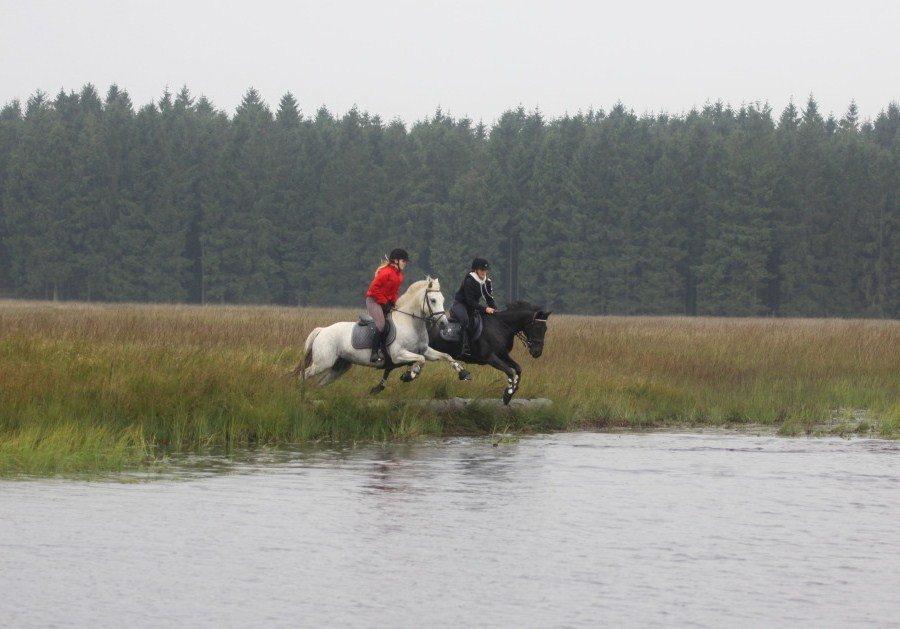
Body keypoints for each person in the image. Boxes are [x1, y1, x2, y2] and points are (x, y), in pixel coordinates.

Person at [365, 248, 409, 362]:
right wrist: (385, 302)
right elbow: (373, 289)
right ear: (395, 261)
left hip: (384, 303)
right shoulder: (385, 272)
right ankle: (374, 353)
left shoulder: (399, 275)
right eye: (404, 261)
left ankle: (386, 350)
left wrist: (393, 303)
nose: (405, 264)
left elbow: (394, 292)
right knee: (381, 324)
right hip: (373, 301)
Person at [450, 257, 496, 348]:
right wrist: (485, 309)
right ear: (476, 270)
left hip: (472, 306)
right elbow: (470, 302)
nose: (484, 272)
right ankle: (463, 345)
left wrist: (495, 310)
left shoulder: (487, 282)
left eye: (485, 270)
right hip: (460, 305)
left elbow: (489, 298)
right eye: (481, 270)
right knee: (465, 320)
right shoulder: (469, 281)